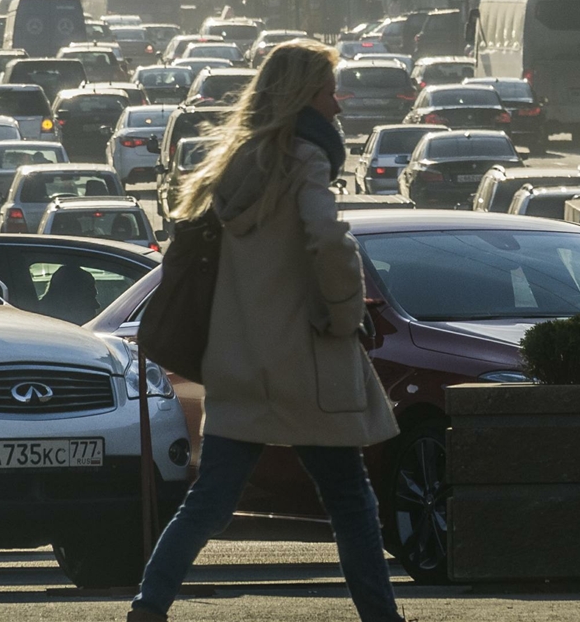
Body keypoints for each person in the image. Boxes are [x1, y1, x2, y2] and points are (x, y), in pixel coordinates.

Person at [127, 40, 402, 622]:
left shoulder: (237, 162)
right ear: (306, 94)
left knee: (208, 503)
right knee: (352, 504)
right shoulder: (307, 157)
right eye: (330, 90)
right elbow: (327, 240)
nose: (338, 104)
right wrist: (345, 311)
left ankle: (147, 609)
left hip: (243, 359)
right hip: (307, 362)